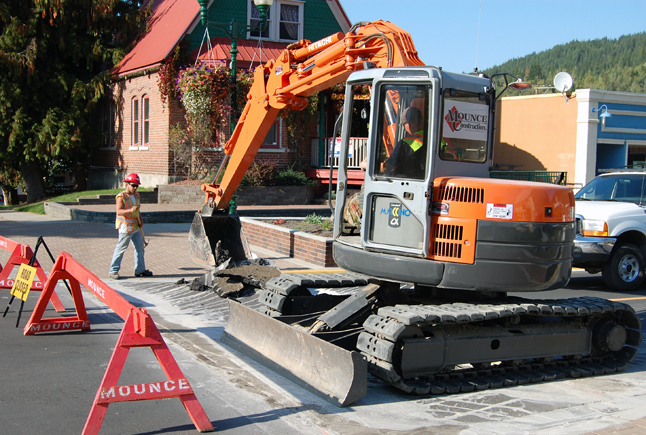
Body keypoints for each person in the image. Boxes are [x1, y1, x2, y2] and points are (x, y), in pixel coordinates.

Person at [108, 173, 153, 279]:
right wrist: (130, 210)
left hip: (136, 226)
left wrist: (140, 220)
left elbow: (137, 210)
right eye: (133, 185)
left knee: (140, 248)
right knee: (121, 248)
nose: (135, 188)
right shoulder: (121, 196)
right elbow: (119, 211)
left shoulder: (137, 195)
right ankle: (113, 271)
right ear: (127, 184)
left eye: (137, 186)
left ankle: (140, 269)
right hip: (126, 226)